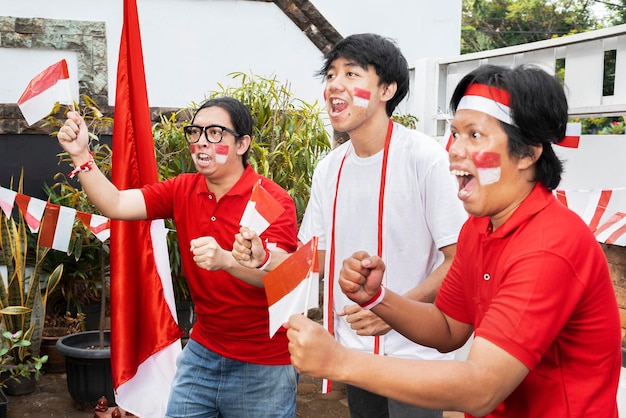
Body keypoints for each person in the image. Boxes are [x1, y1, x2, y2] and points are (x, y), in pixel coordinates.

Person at [284, 64, 623, 417]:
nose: (455, 150)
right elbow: (448, 327)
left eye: (474, 135)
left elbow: (481, 388)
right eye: (455, 133)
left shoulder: (550, 246)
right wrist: (379, 298)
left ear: (528, 153)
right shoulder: (479, 228)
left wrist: (338, 361)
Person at [233, 33, 468, 418]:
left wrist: (392, 308)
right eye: (330, 74)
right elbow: (314, 258)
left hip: (416, 357)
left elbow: (460, 258)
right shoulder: (330, 168)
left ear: (387, 89)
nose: (335, 85)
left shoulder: (425, 158)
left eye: (352, 74)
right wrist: (263, 257)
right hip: (354, 353)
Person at [56, 97, 299, 418]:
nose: (201, 142)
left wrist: (232, 260)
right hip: (203, 351)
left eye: (215, 133)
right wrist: (81, 154)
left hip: (264, 362)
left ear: (242, 144)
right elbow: (115, 203)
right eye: (195, 132)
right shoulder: (183, 189)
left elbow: (286, 276)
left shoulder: (269, 199)